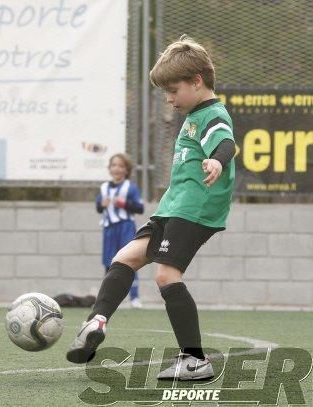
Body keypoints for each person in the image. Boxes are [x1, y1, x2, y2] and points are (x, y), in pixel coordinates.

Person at [66, 35, 236, 381]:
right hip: (173, 206)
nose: (170, 99)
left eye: (173, 90)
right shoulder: (192, 115)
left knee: (165, 275)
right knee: (124, 258)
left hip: (195, 208)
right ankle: (94, 323)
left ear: (196, 82)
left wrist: (217, 162)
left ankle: (194, 359)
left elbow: (226, 142)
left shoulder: (213, 113)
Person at [96, 153, 144, 308]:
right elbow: (98, 207)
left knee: (130, 260)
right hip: (109, 228)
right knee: (109, 262)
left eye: (121, 166)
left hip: (125, 227)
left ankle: (134, 297)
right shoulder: (104, 187)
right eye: (114, 165)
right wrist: (102, 204)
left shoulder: (130, 187)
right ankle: (106, 298)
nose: (117, 169)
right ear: (109, 168)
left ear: (126, 170)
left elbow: (140, 207)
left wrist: (125, 204)